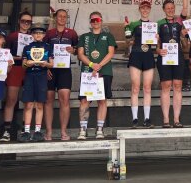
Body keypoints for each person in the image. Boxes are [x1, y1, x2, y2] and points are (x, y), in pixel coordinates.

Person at [77, 11, 117, 139]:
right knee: (84, 101)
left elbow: (111, 53)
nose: (95, 22)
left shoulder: (108, 36)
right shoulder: (84, 37)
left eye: (97, 20)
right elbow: (80, 53)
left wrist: (99, 65)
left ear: (101, 21)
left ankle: (100, 129)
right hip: (88, 72)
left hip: (104, 71)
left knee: (102, 100)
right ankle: (83, 130)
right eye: (93, 20)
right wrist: (91, 65)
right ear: (90, 22)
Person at [156, 0, 188, 128]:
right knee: (166, 86)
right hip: (164, 57)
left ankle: (176, 119)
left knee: (177, 85)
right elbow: (156, 43)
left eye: (172, 7)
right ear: (164, 9)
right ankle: (166, 120)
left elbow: (186, 8)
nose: (170, 9)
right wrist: (157, 50)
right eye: (167, 8)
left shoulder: (179, 21)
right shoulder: (159, 23)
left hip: (178, 56)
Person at [44, 9, 78, 141]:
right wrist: (46, 67)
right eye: (60, 16)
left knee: (65, 99)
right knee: (49, 100)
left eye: (65, 16)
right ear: (55, 18)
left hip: (64, 70)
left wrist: (73, 50)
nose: (62, 18)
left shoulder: (72, 33)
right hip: (51, 70)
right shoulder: (49, 33)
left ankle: (64, 131)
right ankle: (49, 132)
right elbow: (43, 51)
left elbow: (78, 50)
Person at [0, 9, 33, 142]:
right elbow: (4, 53)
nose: (26, 23)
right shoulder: (12, 36)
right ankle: (7, 130)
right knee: (11, 99)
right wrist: (17, 58)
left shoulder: (34, 37)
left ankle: (26, 131)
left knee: (28, 101)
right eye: (24, 21)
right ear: (19, 21)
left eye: (29, 22)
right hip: (15, 68)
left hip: (30, 70)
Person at [19, 23, 53, 142]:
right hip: (29, 75)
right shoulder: (27, 47)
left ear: (44, 35)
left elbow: (51, 64)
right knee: (28, 104)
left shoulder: (48, 47)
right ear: (32, 34)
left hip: (42, 76)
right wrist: (28, 63)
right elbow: (23, 64)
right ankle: (27, 131)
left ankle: (38, 131)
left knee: (39, 104)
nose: (38, 35)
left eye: (41, 33)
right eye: (35, 33)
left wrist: (45, 64)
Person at [125, 1, 155, 128]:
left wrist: (157, 39)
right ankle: (135, 119)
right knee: (135, 87)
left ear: (150, 9)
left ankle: (147, 119)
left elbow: (155, 44)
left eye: (147, 8)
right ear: (139, 9)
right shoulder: (133, 24)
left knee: (147, 88)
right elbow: (127, 41)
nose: (145, 10)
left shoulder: (153, 25)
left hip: (148, 56)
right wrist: (126, 28)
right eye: (143, 8)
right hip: (136, 55)